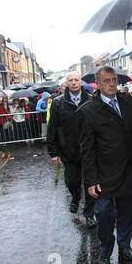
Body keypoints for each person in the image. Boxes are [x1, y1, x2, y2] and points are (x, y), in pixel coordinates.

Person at [78, 66, 132, 264]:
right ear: (97, 84)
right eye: (106, 81)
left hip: (127, 169)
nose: (111, 84)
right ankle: (106, 250)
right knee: (104, 214)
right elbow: (87, 149)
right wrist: (90, 180)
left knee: (127, 212)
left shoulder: (127, 102)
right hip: (104, 174)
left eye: (114, 80)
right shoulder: (88, 110)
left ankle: (124, 244)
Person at [47, 72, 96, 228]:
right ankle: (75, 197)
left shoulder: (91, 100)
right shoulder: (57, 103)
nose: (74, 82)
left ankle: (89, 214)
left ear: (81, 82)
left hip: (89, 150)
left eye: (76, 80)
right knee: (72, 181)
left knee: (90, 182)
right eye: (70, 80)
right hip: (69, 150)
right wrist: (54, 152)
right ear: (66, 84)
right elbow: (52, 128)